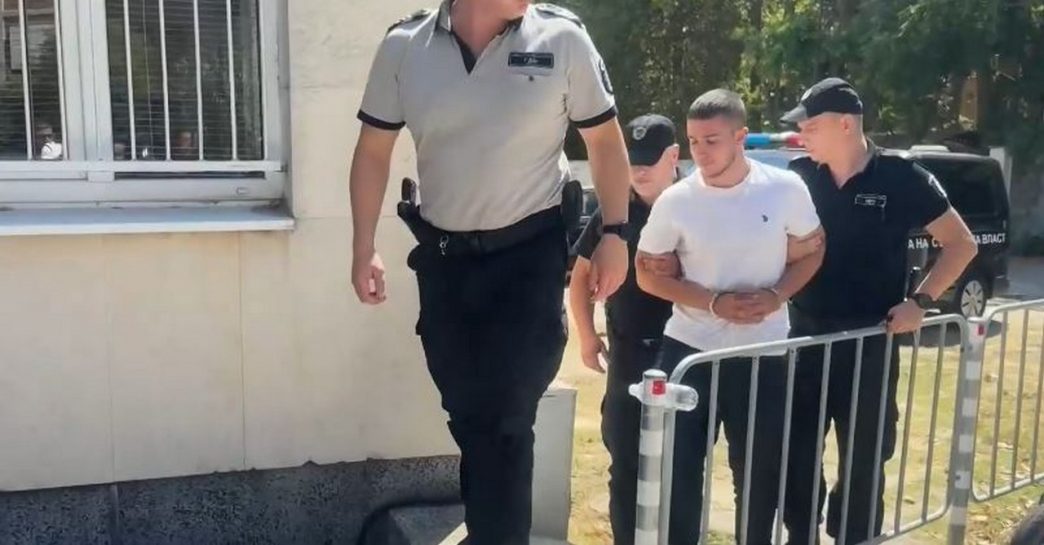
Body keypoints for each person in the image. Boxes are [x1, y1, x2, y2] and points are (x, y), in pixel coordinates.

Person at [348, 2, 632, 544]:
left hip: (527, 260)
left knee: (506, 419)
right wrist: (364, 247)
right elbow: (373, 151)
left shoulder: (562, 38)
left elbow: (604, 140)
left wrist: (615, 233)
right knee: (470, 417)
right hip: (446, 264)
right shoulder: (404, 46)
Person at [779, 77, 978, 545]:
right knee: (796, 451)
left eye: (810, 126)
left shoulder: (901, 177)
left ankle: (855, 535)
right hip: (804, 337)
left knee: (865, 455)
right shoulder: (797, 177)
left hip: (869, 342)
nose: (802, 135)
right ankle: (801, 534)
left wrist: (920, 303)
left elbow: (961, 244)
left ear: (846, 125)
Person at [635, 89, 826, 545]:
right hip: (690, 351)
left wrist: (778, 295)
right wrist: (712, 302)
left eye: (712, 141)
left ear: (740, 137)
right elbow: (646, 275)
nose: (701, 152)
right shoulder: (675, 200)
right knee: (679, 473)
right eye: (693, 141)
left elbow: (813, 251)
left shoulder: (785, 189)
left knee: (760, 477)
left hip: (764, 354)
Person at [568, 113, 680, 545]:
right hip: (628, 353)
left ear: (673, 156)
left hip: (683, 350)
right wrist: (587, 336)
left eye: (649, 160)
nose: (639, 170)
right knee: (626, 462)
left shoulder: (695, 205)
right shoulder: (615, 211)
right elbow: (579, 277)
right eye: (633, 160)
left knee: (680, 464)